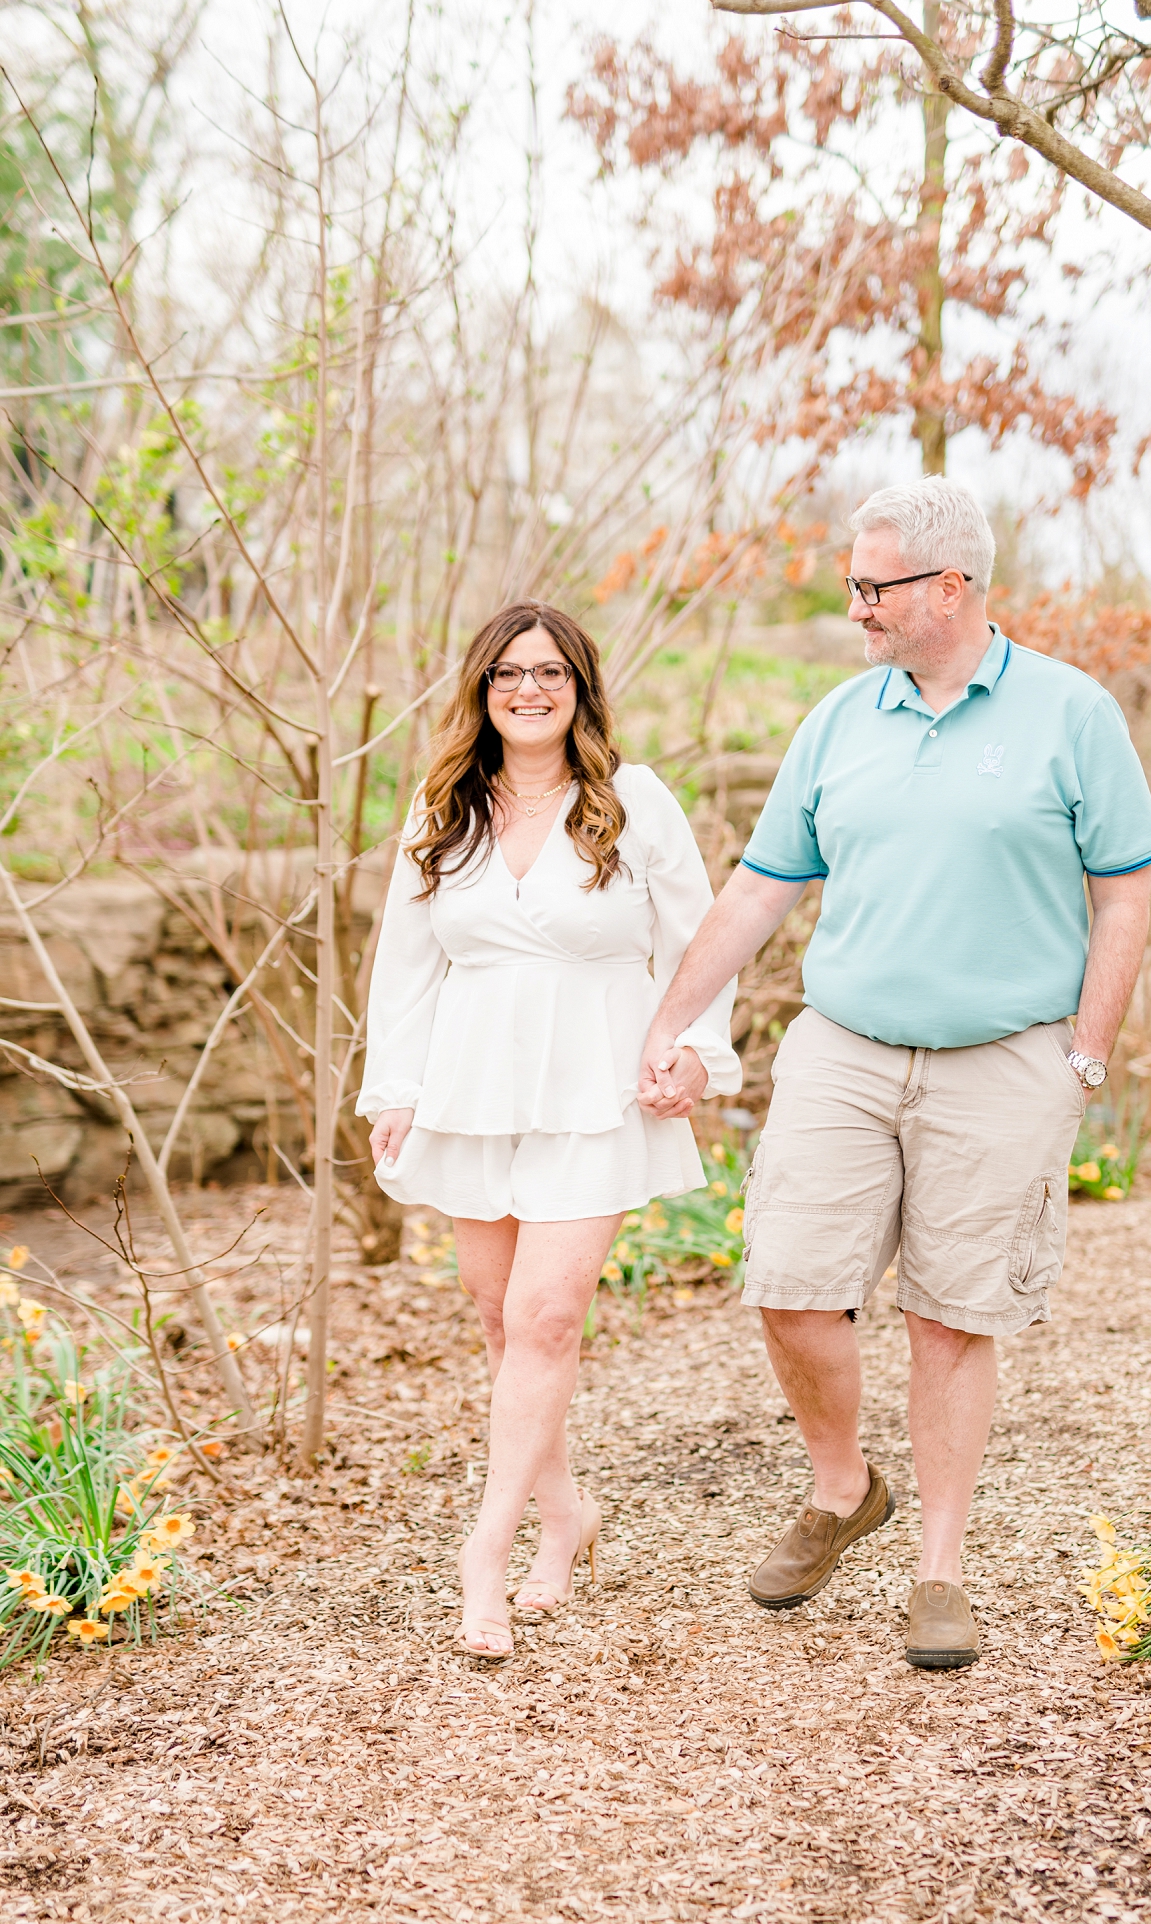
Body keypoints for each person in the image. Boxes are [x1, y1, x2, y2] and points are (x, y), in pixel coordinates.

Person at [638, 478, 1151, 1669]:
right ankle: (845, 1486)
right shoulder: (838, 720)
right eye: (854, 584)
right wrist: (671, 1017)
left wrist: (1085, 1055)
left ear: (951, 586)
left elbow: (1126, 889)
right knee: (787, 1282)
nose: (856, 607)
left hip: (1005, 1057)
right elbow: (761, 886)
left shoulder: (1071, 713)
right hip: (846, 1045)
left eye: (873, 586)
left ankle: (940, 1569)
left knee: (950, 1315)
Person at [359, 601, 740, 1659]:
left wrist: (697, 1046)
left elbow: (703, 940)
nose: (529, 690)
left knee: (545, 1316)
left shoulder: (632, 800)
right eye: (508, 674)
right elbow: (406, 962)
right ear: (482, 689)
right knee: (501, 1320)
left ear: (580, 687)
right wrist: (395, 1089)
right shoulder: (443, 806)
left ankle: (486, 1549)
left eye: (550, 672)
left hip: (594, 1087)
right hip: (471, 1085)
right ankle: (565, 1513)